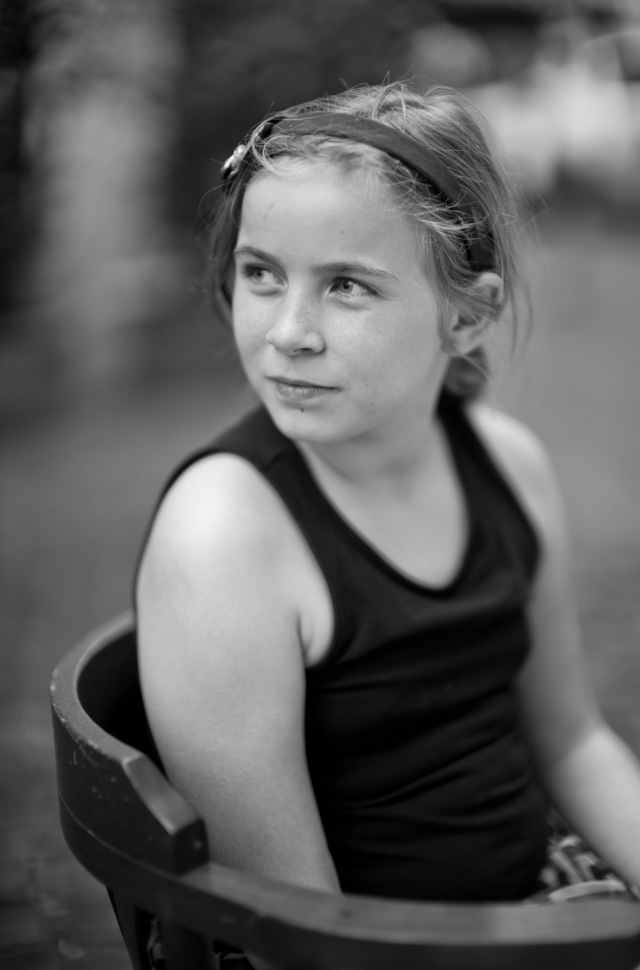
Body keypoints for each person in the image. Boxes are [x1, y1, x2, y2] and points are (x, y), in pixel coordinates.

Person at [135, 82, 640, 925]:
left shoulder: (507, 468)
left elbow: (571, 739)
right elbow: (293, 926)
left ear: (467, 316)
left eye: (347, 287)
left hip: (538, 894)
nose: (289, 330)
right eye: (261, 273)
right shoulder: (227, 536)